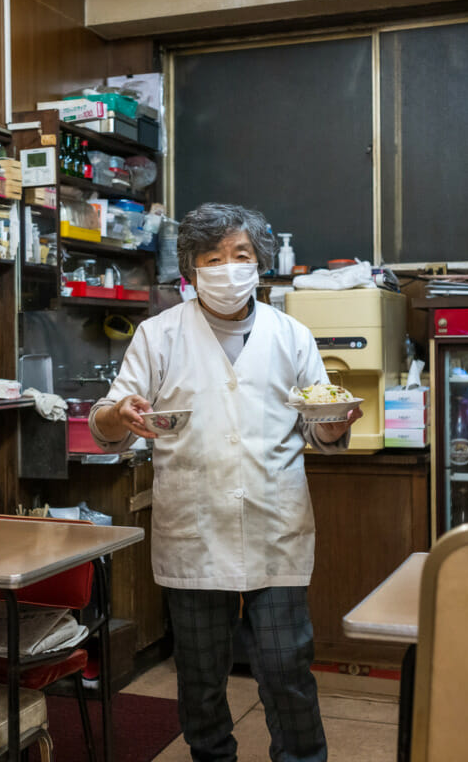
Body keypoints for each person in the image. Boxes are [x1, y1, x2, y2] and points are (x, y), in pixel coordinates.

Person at [89, 203, 361, 762]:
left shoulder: (292, 336)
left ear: (260, 263)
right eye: (213, 257)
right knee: (200, 677)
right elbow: (106, 420)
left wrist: (333, 425)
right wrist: (123, 416)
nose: (228, 267)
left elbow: (322, 424)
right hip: (195, 531)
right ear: (192, 268)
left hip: (275, 526)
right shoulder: (158, 335)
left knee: (287, 670)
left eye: (240, 255)